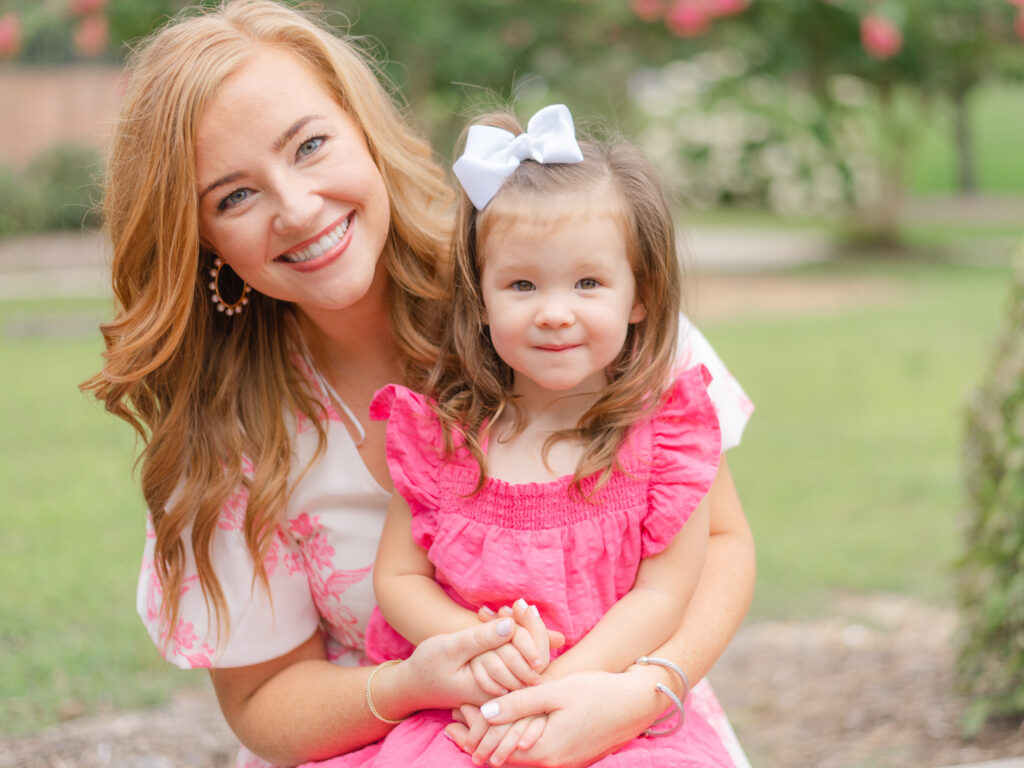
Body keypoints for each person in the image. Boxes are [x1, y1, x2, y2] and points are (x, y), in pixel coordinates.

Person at [81, 2, 756, 767]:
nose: (298, 210)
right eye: (234, 196)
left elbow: (722, 539)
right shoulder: (224, 432)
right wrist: (408, 685)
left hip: (624, 714)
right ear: (199, 239)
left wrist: (635, 695)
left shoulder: (550, 277)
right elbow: (262, 703)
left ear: (363, 129)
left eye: (309, 145)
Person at [301, 104, 739, 768]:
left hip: (610, 703)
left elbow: (662, 594)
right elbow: (397, 576)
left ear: (639, 294)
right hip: (469, 711)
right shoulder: (445, 437)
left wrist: (567, 686)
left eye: (588, 283)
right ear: (482, 298)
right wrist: (479, 644)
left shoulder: (662, 436)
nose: (555, 312)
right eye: (522, 284)